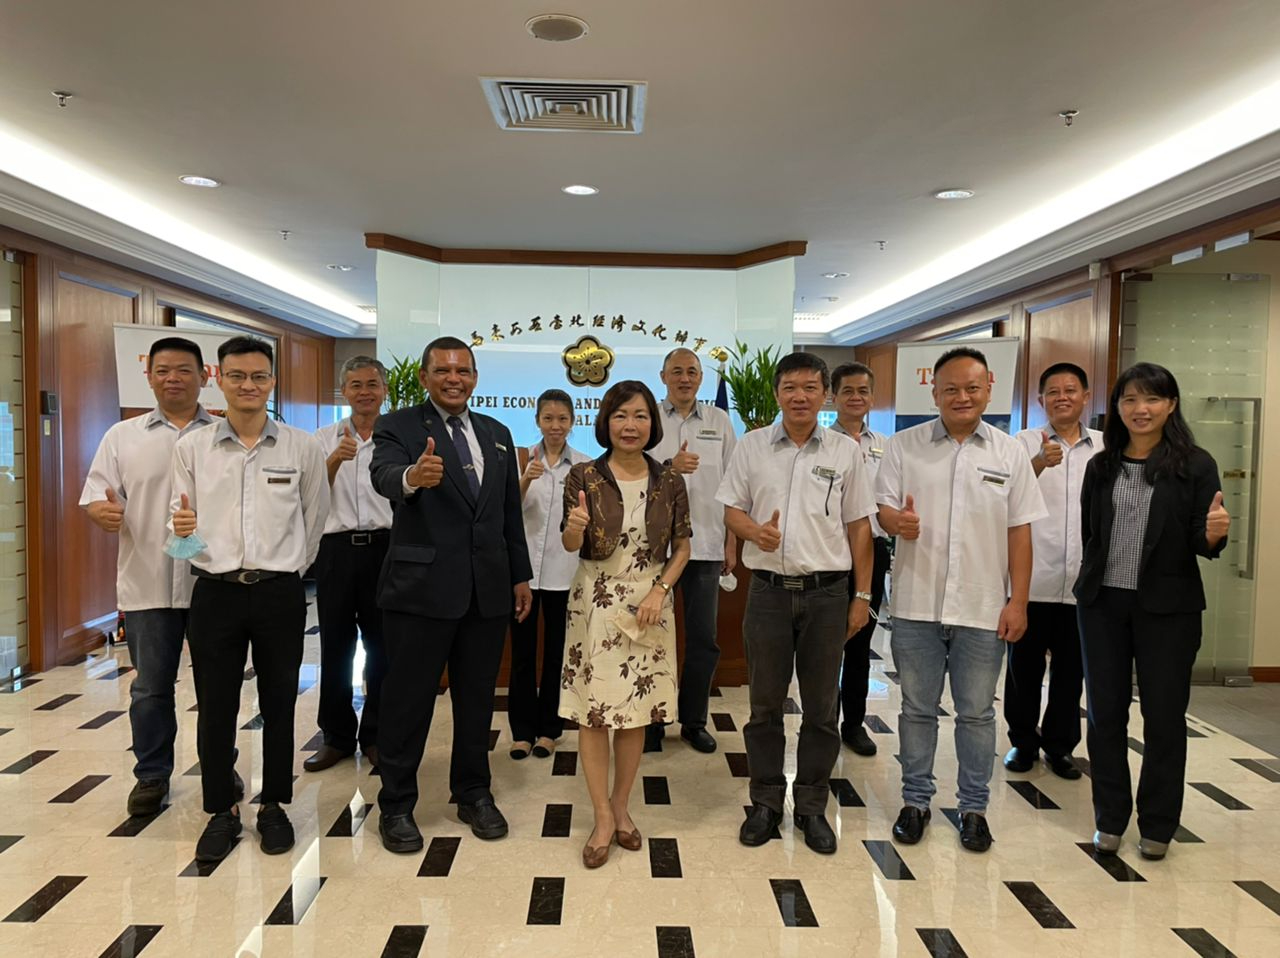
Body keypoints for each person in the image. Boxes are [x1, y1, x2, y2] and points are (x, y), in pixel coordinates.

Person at [876, 347, 1046, 853]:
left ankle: (974, 809)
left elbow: (1020, 533)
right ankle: (916, 801)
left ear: (989, 388)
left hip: (983, 606)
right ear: (934, 392)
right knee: (916, 709)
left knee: (976, 713)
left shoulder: (1010, 453)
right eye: (951, 388)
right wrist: (896, 524)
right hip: (916, 605)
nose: (962, 397)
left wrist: (1019, 602)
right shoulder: (904, 447)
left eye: (972, 388)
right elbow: (882, 510)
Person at [370, 336, 532, 853]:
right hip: (421, 591)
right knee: (407, 701)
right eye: (442, 370)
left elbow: (508, 515)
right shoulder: (397, 426)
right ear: (423, 377)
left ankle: (473, 792)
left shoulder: (497, 433)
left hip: (486, 593)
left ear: (476, 377)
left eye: (463, 370)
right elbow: (384, 475)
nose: (453, 378)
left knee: (477, 700)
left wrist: (519, 576)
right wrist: (413, 477)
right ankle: (396, 804)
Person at [170, 336, 329, 862]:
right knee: (215, 706)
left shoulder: (301, 447)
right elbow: (177, 532)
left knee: (280, 704)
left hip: (279, 594)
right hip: (214, 593)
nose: (248, 386)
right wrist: (189, 536)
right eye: (237, 376)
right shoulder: (192, 447)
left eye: (259, 376)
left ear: (272, 382)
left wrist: (288, 570)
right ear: (220, 378)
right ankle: (221, 810)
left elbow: (314, 519)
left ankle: (274, 806)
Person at [718, 351, 875, 855]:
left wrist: (863, 596)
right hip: (766, 592)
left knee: (822, 707)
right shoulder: (751, 447)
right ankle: (764, 802)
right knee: (763, 704)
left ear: (825, 394)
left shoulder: (845, 452)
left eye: (810, 387)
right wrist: (753, 532)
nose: (800, 396)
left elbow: (859, 528)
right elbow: (731, 510)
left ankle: (811, 805)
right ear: (777, 393)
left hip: (828, 595)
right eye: (790, 387)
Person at [1076, 362, 1229, 861]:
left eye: (1151, 400)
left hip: (1169, 609)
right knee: (1104, 716)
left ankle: (1159, 823)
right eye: (1129, 400)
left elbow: (1200, 539)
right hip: (1104, 605)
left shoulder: (1195, 464)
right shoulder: (1102, 464)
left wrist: (1212, 535)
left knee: (1164, 717)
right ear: (1117, 407)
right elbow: (1091, 535)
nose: (1140, 409)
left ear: (1171, 405)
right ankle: (1110, 818)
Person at [79, 336, 235, 817]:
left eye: (184, 370)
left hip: (212, 584)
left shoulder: (226, 435)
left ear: (204, 376)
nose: (173, 378)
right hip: (146, 583)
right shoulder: (121, 437)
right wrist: (101, 513)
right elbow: (97, 497)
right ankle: (151, 775)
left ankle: (219, 768)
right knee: (150, 687)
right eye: (163, 370)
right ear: (148, 376)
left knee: (217, 686)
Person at [560, 380, 691, 868]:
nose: (630, 425)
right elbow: (573, 544)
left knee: (635, 712)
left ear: (651, 423)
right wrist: (573, 530)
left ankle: (622, 807)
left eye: (639, 415)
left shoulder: (669, 479)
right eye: (620, 415)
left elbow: (682, 548)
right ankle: (600, 815)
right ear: (606, 422)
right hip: (596, 602)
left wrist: (660, 590)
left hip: (651, 605)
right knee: (595, 714)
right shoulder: (583, 475)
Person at [1003, 362, 1103, 780]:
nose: (1063, 397)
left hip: (1084, 584)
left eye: (1071, 390)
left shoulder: (1105, 447)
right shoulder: (1021, 443)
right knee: (1024, 670)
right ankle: (1022, 743)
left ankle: (1060, 747)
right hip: (1034, 580)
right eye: (1053, 392)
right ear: (1040, 400)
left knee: (1072, 673)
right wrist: (1039, 462)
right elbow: (1004, 494)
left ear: (1084, 397)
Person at [647, 347, 738, 753]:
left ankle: (694, 721)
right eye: (677, 371)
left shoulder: (719, 420)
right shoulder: (646, 416)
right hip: (653, 550)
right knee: (649, 637)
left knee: (703, 639)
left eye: (692, 372)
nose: (685, 378)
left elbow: (736, 486)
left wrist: (732, 540)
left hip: (706, 546)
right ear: (663, 375)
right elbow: (629, 470)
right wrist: (669, 466)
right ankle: (649, 722)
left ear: (701, 379)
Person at [304, 357, 393, 773]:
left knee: (381, 646)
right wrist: (336, 459)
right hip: (336, 549)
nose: (364, 392)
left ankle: (376, 733)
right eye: (355, 385)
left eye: (372, 384)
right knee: (336, 646)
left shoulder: (396, 438)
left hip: (385, 548)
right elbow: (307, 495)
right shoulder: (321, 439)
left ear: (384, 390)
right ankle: (337, 736)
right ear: (344, 392)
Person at [508, 388, 590, 761]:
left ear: (573, 422)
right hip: (524, 575)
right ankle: (521, 733)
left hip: (565, 574)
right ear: (537, 420)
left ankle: (548, 731)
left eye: (562, 419)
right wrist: (525, 478)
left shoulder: (586, 467)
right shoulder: (520, 459)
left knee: (558, 653)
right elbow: (505, 511)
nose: (555, 426)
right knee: (523, 654)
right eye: (548, 418)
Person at [828, 362, 892, 757]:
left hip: (873, 550)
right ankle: (821, 722)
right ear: (832, 397)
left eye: (863, 391)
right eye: (848, 391)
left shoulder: (886, 444)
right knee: (825, 644)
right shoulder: (822, 442)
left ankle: (853, 723)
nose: (856, 398)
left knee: (861, 642)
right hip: (831, 551)